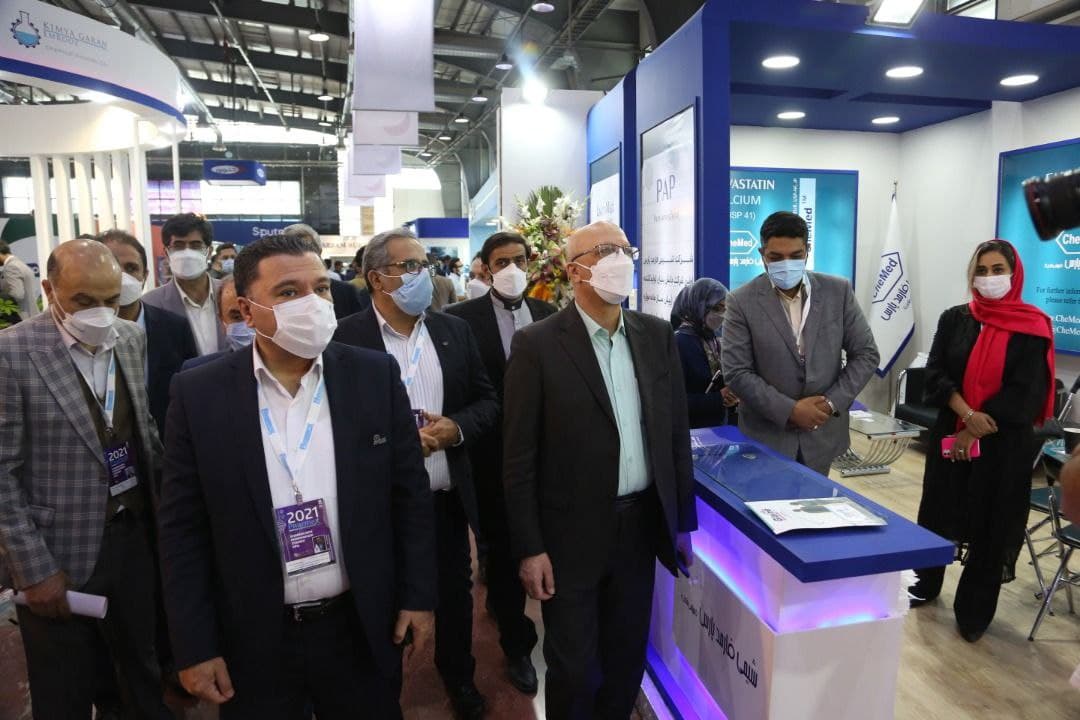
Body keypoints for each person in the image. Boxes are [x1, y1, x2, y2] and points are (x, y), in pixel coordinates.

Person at [158, 234, 436, 719]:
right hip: (254, 634)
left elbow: (409, 496)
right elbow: (182, 529)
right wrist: (194, 644)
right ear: (247, 312)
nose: (313, 303)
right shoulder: (199, 392)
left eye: (321, 288)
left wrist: (417, 597)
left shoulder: (373, 375)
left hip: (359, 623)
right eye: (288, 292)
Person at [503, 220, 697, 720]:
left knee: (625, 657)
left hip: (640, 526)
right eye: (607, 251)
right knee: (572, 667)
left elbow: (674, 433)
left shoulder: (656, 335)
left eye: (626, 250)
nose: (621, 260)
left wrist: (681, 521)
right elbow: (518, 457)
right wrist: (530, 548)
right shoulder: (537, 345)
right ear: (574, 271)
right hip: (569, 536)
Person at [0, 239, 172, 718]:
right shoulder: (12, 353)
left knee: (141, 670)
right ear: (49, 289)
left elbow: (142, 429)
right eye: (83, 300)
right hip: (58, 550)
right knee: (64, 689)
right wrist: (34, 569)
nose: (100, 312)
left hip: (133, 536)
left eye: (110, 299)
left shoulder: (129, 338)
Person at [333, 228, 499, 720]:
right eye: (408, 266)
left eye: (423, 264)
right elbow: (334, 421)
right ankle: (383, 690)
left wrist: (456, 428)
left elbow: (488, 401)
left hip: (444, 497)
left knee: (454, 594)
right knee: (381, 597)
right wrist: (393, 443)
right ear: (376, 279)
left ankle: (459, 676)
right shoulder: (344, 338)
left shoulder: (453, 331)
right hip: (377, 504)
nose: (420, 274)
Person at [909, 239, 1054, 643]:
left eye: (997, 270)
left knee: (991, 522)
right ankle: (926, 583)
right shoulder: (955, 319)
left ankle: (974, 611)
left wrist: (973, 427)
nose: (989, 278)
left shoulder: (1034, 326)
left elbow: (1026, 391)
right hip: (952, 434)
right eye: (982, 270)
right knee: (940, 509)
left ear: (1014, 273)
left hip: (1002, 445)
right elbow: (936, 374)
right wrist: (966, 415)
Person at [445, 231, 556, 695]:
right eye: (502, 261)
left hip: (546, 455)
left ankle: (555, 638)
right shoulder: (461, 320)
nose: (512, 269)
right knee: (507, 551)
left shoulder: (549, 313)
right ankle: (517, 645)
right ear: (486, 268)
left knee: (548, 545)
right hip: (491, 456)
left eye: (519, 260)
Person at [721, 211, 879, 476]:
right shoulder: (741, 301)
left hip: (822, 433)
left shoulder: (838, 292)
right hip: (767, 436)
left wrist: (830, 404)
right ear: (762, 254)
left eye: (795, 256)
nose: (786, 264)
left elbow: (866, 355)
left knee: (817, 501)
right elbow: (737, 372)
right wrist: (790, 410)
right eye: (775, 257)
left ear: (807, 250)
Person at [98, 229, 198, 437]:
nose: (122, 276)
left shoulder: (174, 327)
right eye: (112, 266)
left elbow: (190, 392)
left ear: (144, 276)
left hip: (165, 440)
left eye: (131, 268)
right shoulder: (84, 330)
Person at [142, 213, 226, 356]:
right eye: (178, 246)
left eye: (195, 245)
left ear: (209, 251)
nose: (187, 252)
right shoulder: (150, 304)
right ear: (167, 252)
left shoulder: (229, 294)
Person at [671, 278, 738, 429]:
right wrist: (718, 398)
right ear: (699, 306)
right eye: (716, 308)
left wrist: (731, 398)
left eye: (725, 309)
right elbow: (674, 400)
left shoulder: (713, 340)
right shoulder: (679, 343)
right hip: (692, 432)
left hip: (717, 429)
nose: (721, 315)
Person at [282, 223, 370, 319]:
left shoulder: (346, 292)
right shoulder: (275, 293)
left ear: (319, 252)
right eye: (292, 251)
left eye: (308, 249)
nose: (302, 257)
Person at [0, 240, 39, 320]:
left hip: (21, 319)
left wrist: (2, 297)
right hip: (30, 316)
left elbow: (18, 295)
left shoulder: (11, 267)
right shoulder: (19, 264)